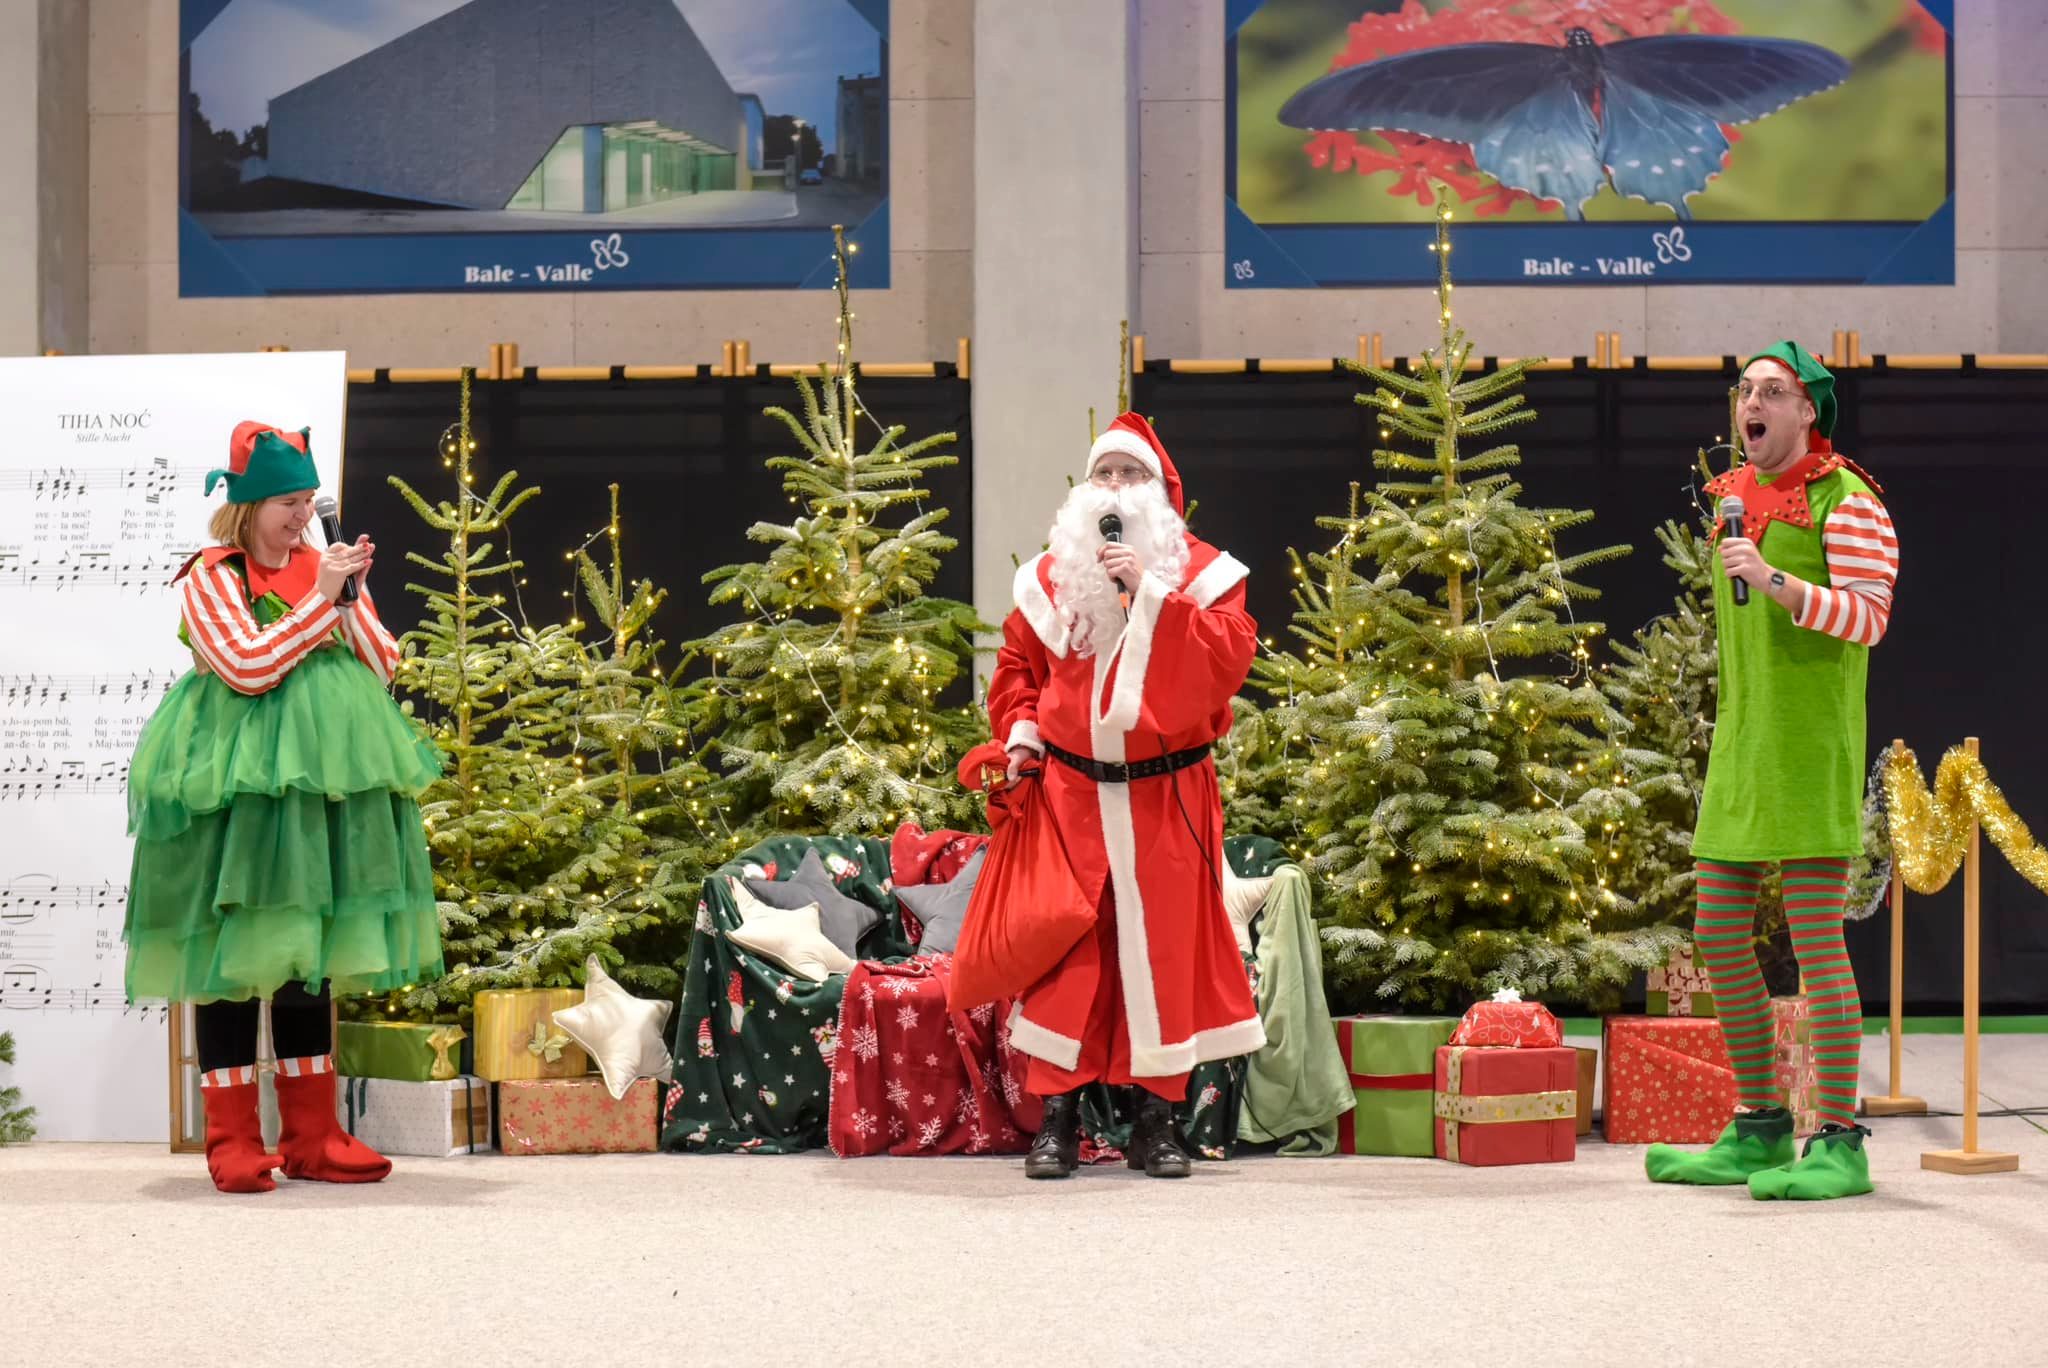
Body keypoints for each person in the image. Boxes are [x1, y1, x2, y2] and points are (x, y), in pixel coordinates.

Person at [123, 421, 444, 1194]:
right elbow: (246, 666)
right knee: (232, 957)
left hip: (317, 783)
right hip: (233, 784)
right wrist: (319, 602)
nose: (302, 517)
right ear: (248, 505)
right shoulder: (212, 575)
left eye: (307, 501)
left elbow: (385, 661)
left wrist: (347, 596)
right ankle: (233, 1139)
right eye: (288, 504)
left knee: (309, 948)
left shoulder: (319, 567)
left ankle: (313, 1134)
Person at [1647, 342, 1899, 1201]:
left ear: (1807, 412)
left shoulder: (1849, 500)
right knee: (1718, 932)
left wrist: (1782, 582)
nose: (1750, 403)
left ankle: (1839, 1140)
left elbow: (1870, 619)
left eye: (1771, 391)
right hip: (1744, 741)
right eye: (1743, 390)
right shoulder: (1732, 500)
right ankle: (1757, 1128)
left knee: (1815, 941)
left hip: (1810, 744)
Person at [987, 412, 1264, 1179]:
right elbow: (1016, 670)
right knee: (1067, 953)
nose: (1114, 488)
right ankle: (1058, 1123)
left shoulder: (1205, 576)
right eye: (1104, 474)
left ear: (1161, 494)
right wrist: (1019, 734)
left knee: (1163, 956)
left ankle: (1157, 1123)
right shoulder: (1050, 579)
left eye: (1130, 475)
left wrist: (1149, 594)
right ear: (1084, 489)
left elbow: (1225, 663)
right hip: (1069, 798)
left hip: (1166, 801)